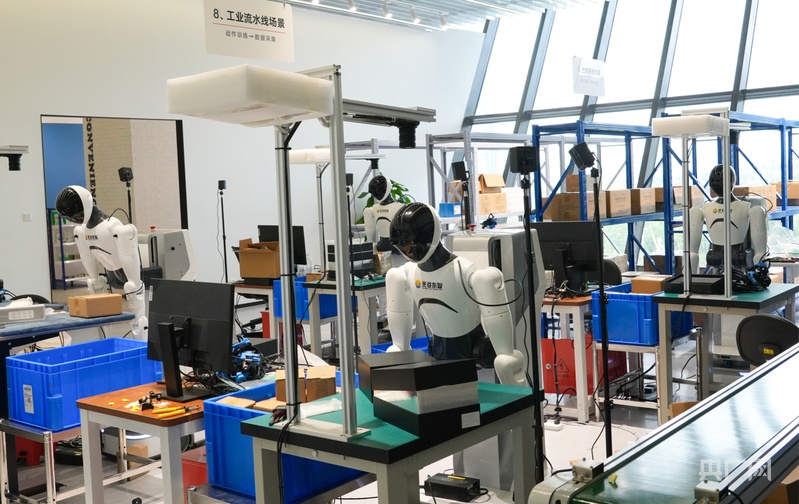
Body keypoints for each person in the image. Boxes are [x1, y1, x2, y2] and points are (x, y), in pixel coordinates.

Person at [385, 202, 526, 386]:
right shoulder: (406, 273)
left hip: (471, 350)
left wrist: (505, 358)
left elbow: (503, 349)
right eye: (401, 247)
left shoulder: (464, 271)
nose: (407, 252)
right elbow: (399, 345)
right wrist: (399, 350)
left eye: (409, 245)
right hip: (438, 352)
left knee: (503, 362)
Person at [55, 185, 148, 339]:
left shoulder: (113, 227)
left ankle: (142, 345)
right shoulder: (82, 231)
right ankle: (105, 341)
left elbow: (128, 255)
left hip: (128, 272)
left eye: (75, 216)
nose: (74, 220)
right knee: (94, 285)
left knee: (133, 292)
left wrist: (134, 283)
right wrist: (94, 278)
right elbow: (87, 256)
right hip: (111, 273)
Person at [688, 164, 769, 288]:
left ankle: (758, 275)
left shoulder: (744, 207)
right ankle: (690, 279)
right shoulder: (707, 208)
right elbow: (692, 252)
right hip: (721, 254)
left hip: (736, 255)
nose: (718, 183)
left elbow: (760, 252)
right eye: (716, 181)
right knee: (694, 212)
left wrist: (759, 264)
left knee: (758, 211)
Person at [362, 174, 406, 253]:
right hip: (388, 247)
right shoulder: (374, 209)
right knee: (367, 211)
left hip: (393, 247)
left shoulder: (400, 207)